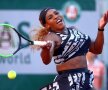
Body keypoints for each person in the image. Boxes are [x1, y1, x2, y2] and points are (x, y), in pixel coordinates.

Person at [32, 7, 108, 90]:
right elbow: (46, 60)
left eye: (56, 13)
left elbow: (97, 49)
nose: (55, 16)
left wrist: (101, 28)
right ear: (47, 25)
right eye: (50, 17)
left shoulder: (74, 30)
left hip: (85, 79)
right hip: (68, 82)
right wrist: (45, 50)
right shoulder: (51, 37)